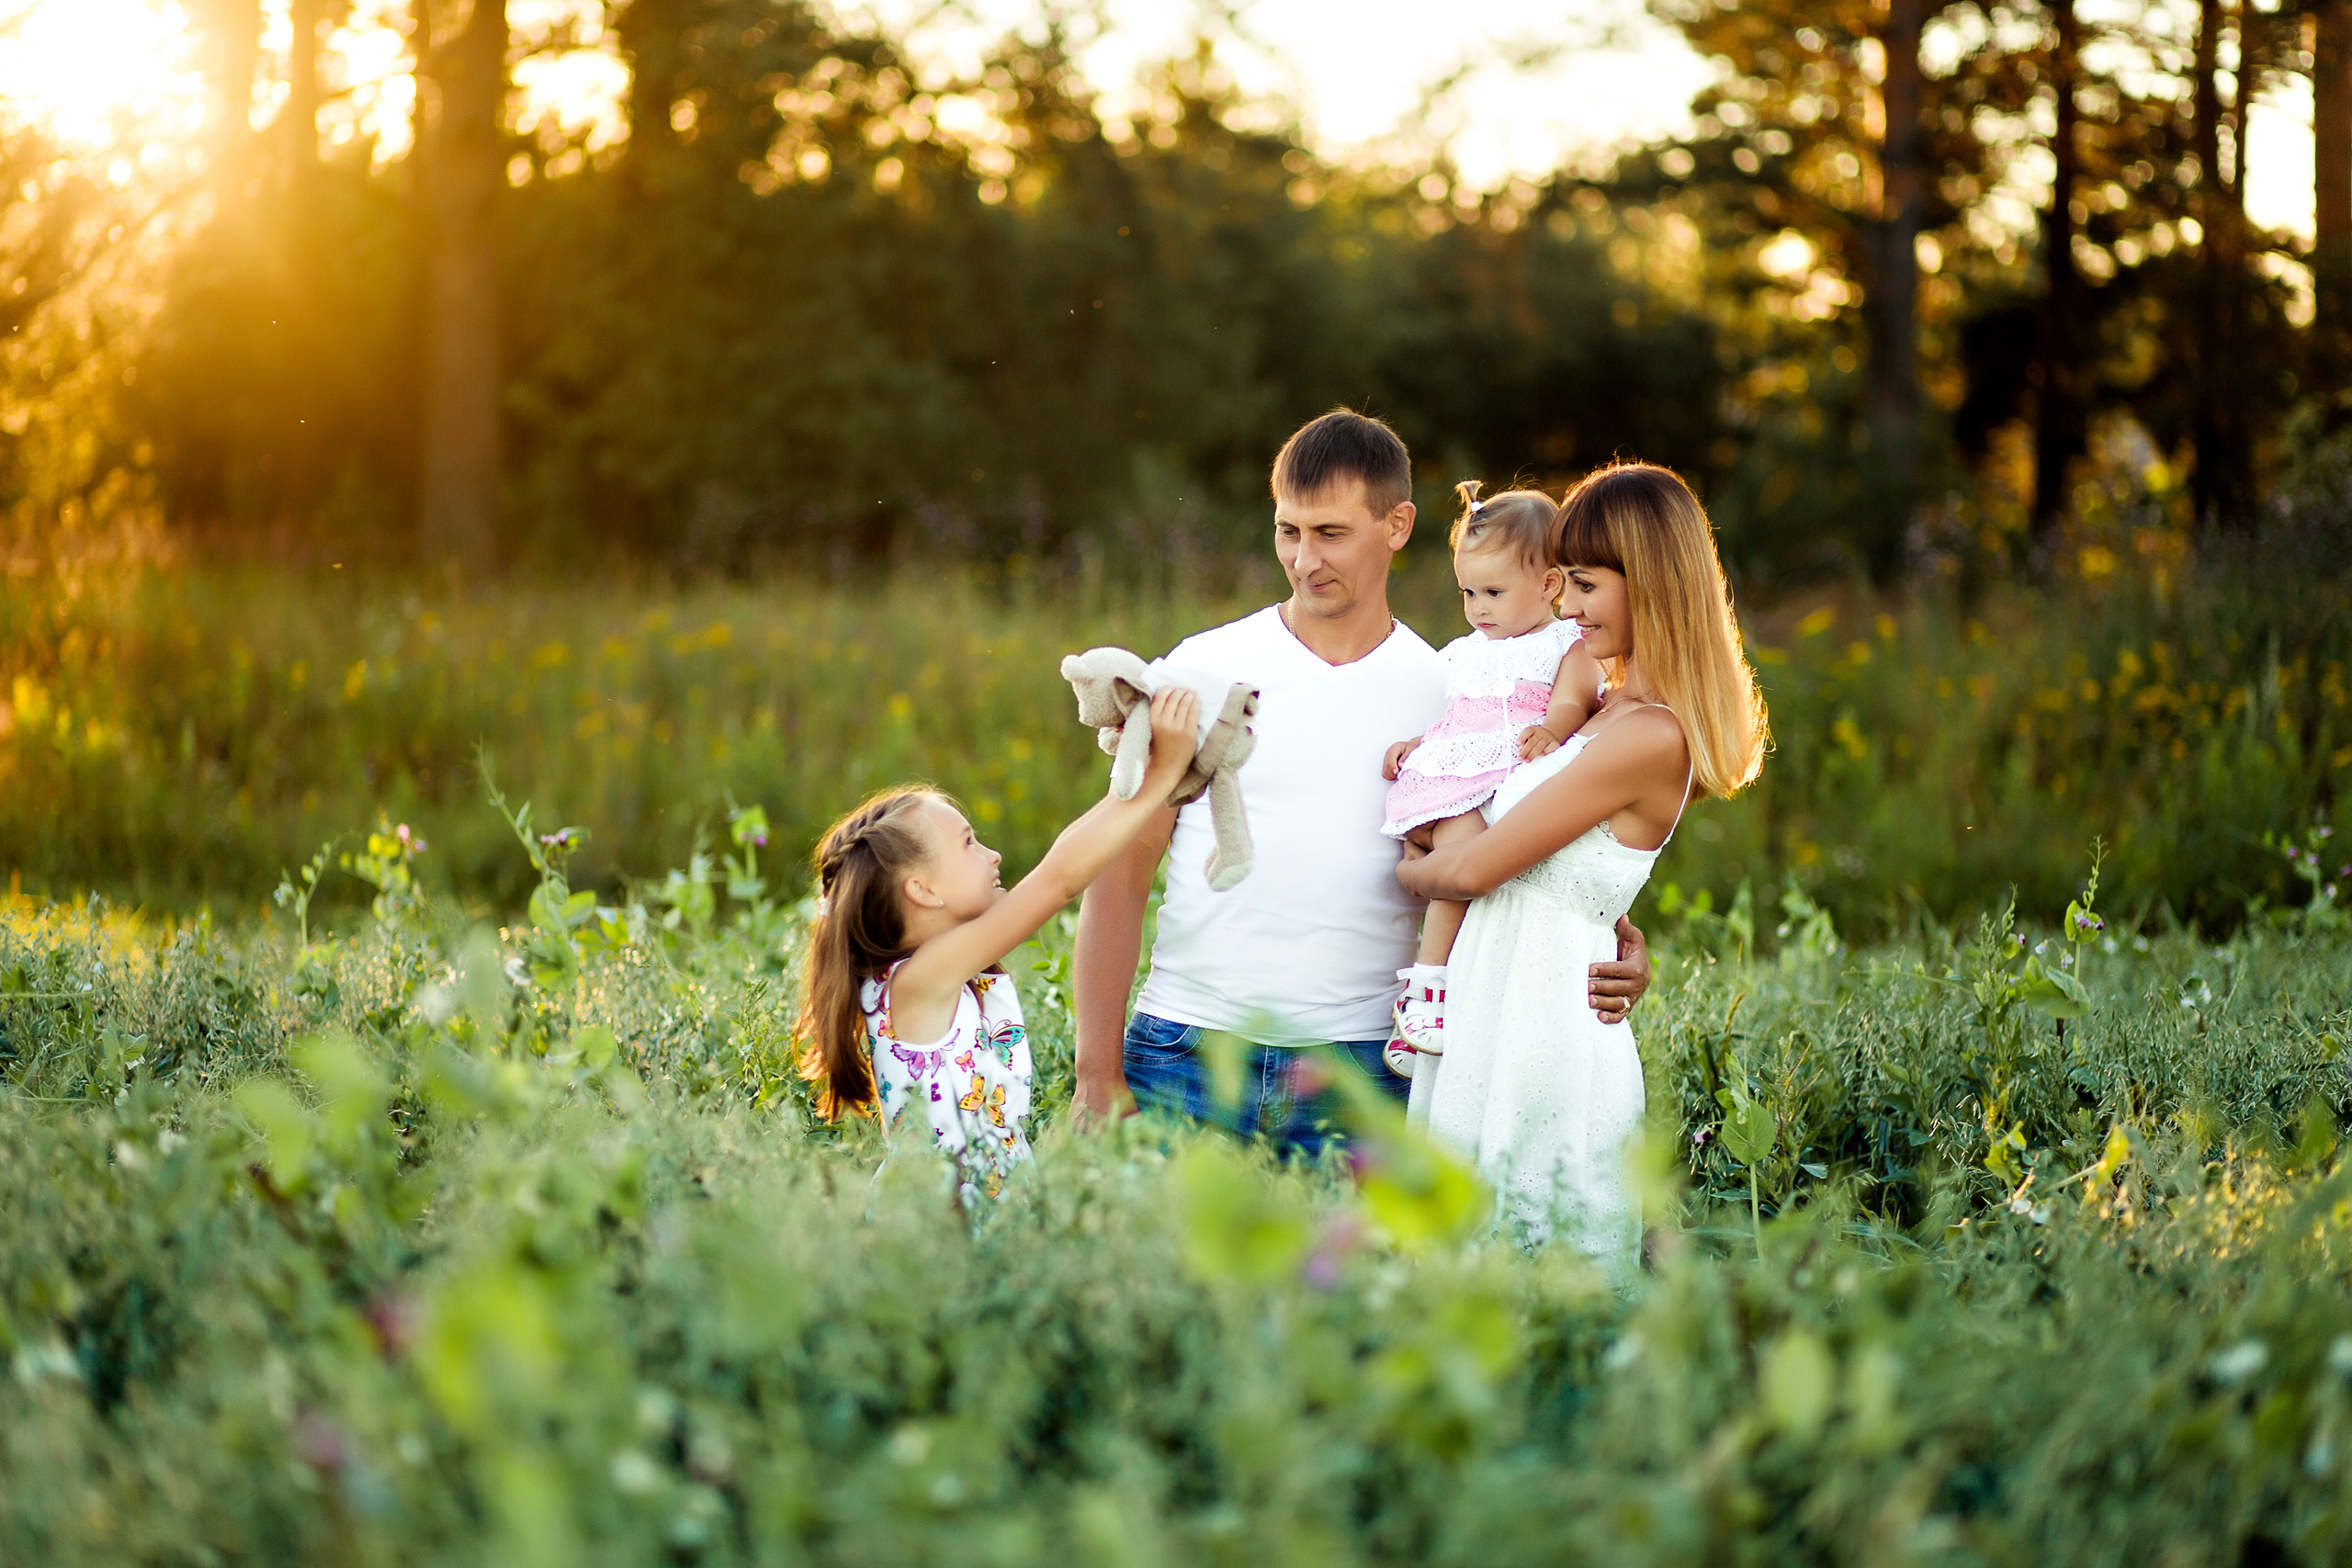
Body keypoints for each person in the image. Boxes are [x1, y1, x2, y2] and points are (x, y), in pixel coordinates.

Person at [1071, 408, 1654, 1154]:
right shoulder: (1204, 667)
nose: (1304, 558)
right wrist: (1096, 1071)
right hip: (1186, 1051)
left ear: (1398, 524)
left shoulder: (1452, 689)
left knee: (1361, 1276)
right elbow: (1118, 871)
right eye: (1289, 530)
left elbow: (1545, 846)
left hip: (1367, 1072)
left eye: (1331, 534)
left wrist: (1616, 940)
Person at [1396, 462, 1769, 1270]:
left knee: (1534, 1255)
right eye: (1566, 584)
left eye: (1588, 586)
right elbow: (1576, 862)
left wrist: (1413, 868)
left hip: (1540, 1017)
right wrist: (1620, 925)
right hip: (1496, 998)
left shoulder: (1651, 734)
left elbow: (1475, 871)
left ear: (1657, 584)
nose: (1566, 607)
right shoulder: (1604, 709)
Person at [797, 687, 1200, 1204]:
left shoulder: (935, 978)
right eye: (968, 843)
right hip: (944, 1228)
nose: (993, 854)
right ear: (922, 891)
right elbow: (1058, 881)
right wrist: (1158, 777)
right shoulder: (921, 981)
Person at [1378, 481, 1603, 1072]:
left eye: (1493, 592)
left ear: (1549, 585)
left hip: (1496, 784)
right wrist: (1413, 744)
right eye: (1468, 592)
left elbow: (1574, 701)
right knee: (1454, 858)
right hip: (1451, 781)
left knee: (1474, 878)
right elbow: (1445, 719)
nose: (1478, 608)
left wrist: (1554, 729)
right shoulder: (1460, 652)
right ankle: (1425, 989)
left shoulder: (1565, 643)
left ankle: (1438, 997)